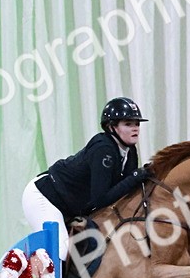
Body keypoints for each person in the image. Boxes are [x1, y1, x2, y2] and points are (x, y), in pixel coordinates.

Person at [22, 97, 153, 262]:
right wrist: (136, 176)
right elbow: (101, 198)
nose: (135, 129)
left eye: (137, 124)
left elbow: (123, 190)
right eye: (128, 124)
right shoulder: (103, 148)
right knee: (60, 252)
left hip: (70, 204)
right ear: (111, 127)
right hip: (45, 197)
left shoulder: (130, 151)